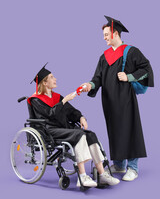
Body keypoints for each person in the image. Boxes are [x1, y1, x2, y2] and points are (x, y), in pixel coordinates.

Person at [81, 16, 154, 181]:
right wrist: (90, 85)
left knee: (129, 129)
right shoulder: (104, 56)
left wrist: (128, 77)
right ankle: (119, 165)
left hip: (126, 100)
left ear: (114, 33)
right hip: (109, 101)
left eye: (106, 34)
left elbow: (146, 69)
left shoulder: (131, 52)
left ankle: (133, 168)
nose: (105, 38)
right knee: (114, 131)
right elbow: (97, 78)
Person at [27, 63, 120, 188]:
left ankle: (102, 174)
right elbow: (49, 114)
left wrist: (81, 117)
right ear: (44, 82)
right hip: (49, 130)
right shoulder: (36, 100)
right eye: (52, 77)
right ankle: (82, 176)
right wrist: (64, 100)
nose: (55, 79)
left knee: (90, 135)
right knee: (79, 134)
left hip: (63, 127)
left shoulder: (56, 96)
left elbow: (71, 111)